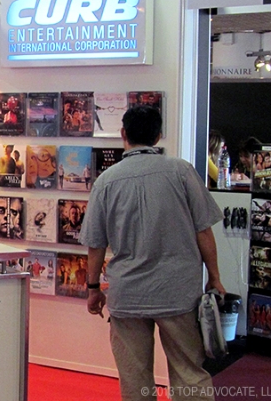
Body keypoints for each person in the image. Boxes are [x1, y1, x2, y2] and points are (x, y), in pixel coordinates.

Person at [79, 105, 225, 401]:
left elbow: (96, 243)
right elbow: (204, 231)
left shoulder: (106, 181)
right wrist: (215, 278)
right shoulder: (181, 171)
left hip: (128, 294)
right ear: (158, 136)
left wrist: (93, 288)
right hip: (178, 292)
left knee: (135, 377)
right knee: (188, 371)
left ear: (123, 134)